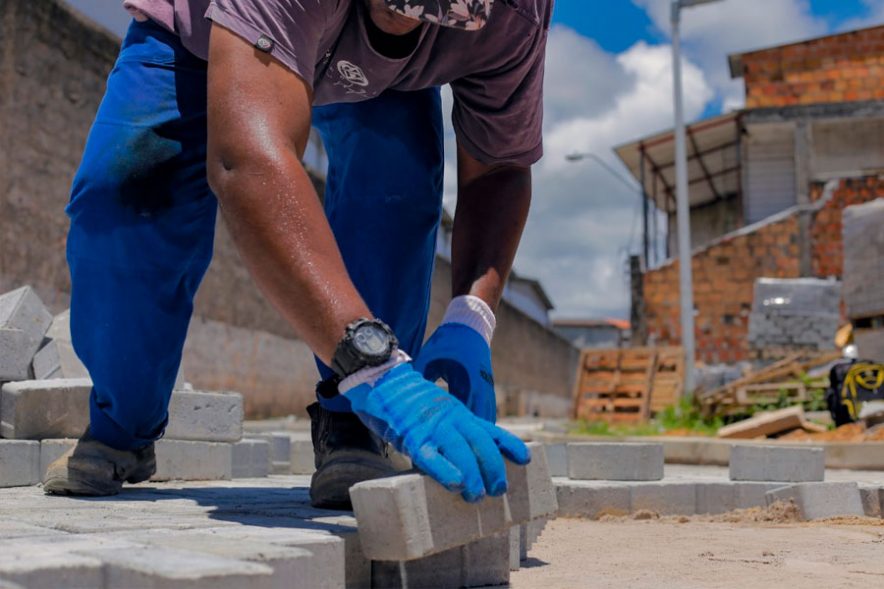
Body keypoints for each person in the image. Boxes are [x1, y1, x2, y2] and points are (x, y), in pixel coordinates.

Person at [44, 0, 551, 509]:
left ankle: (355, 425)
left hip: (392, 82)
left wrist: (471, 318)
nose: (405, 22)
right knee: (127, 192)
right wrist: (372, 365)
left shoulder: (515, 15)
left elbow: (500, 165)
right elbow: (246, 163)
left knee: (393, 191)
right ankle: (122, 423)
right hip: (204, 33)